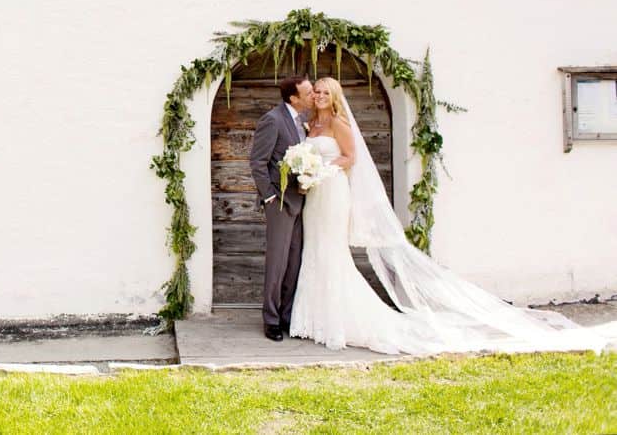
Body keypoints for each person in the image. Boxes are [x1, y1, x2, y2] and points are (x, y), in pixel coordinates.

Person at [288, 77, 611, 355]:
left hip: (332, 193)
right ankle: (313, 317)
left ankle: (339, 320)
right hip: (315, 194)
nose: (318, 96)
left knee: (331, 252)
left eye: (325, 92)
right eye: (316, 91)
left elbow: (350, 157)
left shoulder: (340, 124)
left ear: (335, 97)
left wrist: (321, 168)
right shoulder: (312, 124)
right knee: (314, 250)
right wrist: (307, 170)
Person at [249, 75, 313, 342]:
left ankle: (287, 316)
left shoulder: (303, 123)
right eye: (308, 93)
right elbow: (258, 162)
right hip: (280, 203)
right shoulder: (272, 120)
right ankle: (271, 320)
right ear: (293, 98)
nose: (313, 96)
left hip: (301, 202)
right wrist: (269, 198)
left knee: (295, 261)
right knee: (277, 264)